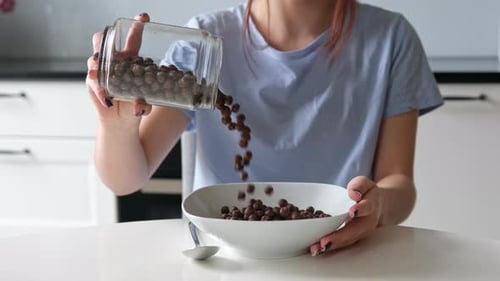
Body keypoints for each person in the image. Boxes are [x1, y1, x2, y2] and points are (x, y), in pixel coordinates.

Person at [86, 0, 443, 257]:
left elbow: (398, 182)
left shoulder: (391, 39)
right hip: (225, 257)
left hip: (340, 255)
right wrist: (116, 124)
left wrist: (377, 206)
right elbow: (126, 179)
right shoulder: (202, 43)